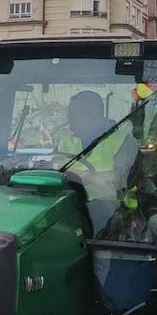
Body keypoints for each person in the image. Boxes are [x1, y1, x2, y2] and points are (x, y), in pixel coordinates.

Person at [56, 90, 139, 236]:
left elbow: (118, 183)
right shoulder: (64, 144)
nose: (70, 117)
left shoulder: (122, 142)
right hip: (70, 205)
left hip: (114, 210)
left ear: (95, 114)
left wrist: (78, 177)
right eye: (70, 112)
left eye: (76, 112)